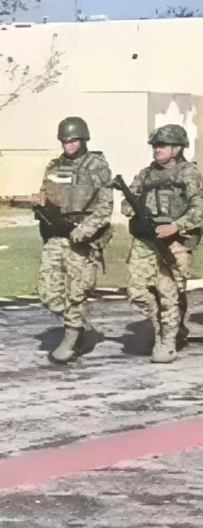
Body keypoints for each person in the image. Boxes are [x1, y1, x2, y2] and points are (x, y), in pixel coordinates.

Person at [121, 124, 203, 364]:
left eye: (163, 146)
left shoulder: (188, 173)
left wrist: (176, 226)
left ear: (177, 148)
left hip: (174, 240)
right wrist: (132, 209)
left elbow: (200, 208)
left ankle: (167, 341)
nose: (157, 150)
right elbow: (128, 199)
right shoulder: (146, 174)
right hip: (146, 240)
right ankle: (163, 326)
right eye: (155, 146)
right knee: (137, 291)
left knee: (169, 292)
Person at [37, 116, 114, 364]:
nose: (69, 145)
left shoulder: (97, 166)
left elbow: (105, 207)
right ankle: (79, 325)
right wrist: (40, 202)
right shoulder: (54, 166)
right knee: (48, 291)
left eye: (73, 140)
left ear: (83, 139)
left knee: (77, 292)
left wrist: (86, 230)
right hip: (56, 235)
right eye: (65, 141)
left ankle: (71, 338)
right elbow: (46, 194)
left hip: (82, 236)